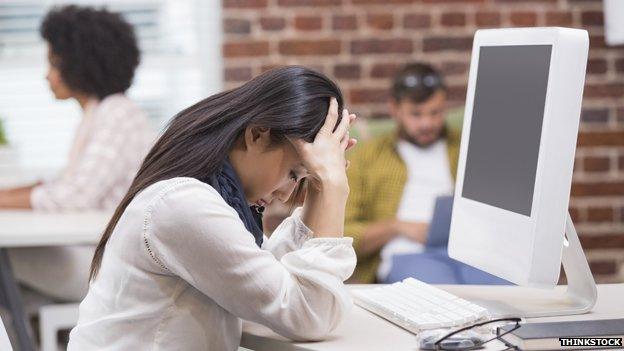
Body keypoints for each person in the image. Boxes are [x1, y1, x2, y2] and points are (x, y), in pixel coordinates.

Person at [67, 66, 358, 350]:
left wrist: (321, 187)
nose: (287, 194)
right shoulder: (185, 205)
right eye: (294, 174)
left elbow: (270, 280)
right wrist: (334, 188)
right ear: (257, 135)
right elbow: (308, 315)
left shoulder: (209, 194)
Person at [0, 5, 154, 301]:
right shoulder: (98, 114)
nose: (47, 76)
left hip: (111, 267)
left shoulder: (117, 115)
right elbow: (58, 185)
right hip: (98, 254)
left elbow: (72, 197)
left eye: (54, 64)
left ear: (80, 64)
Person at [344, 63, 461, 283]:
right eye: (416, 114)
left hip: (466, 252)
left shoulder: (463, 147)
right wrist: (397, 226)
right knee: (443, 293)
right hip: (407, 253)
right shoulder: (369, 157)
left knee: (510, 293)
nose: (427, 123)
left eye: (435, 113)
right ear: (394, 109)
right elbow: (343, 234)